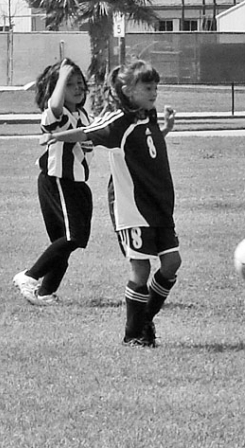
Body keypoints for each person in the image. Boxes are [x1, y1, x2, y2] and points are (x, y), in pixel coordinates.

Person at [41, 60, 178, 347]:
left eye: (156, 87)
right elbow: (87, 133)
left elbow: (143, 146)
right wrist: (56, 136)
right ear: (128, 89)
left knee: (172, 263)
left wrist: (165, 129)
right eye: (147, 87)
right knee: (140, 269)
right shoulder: (117, 121)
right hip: (134, 206)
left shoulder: (147, 114)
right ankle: (133, 334)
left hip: (160, 203)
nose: (154, 92)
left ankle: (144, 321)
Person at [13, 59, 93, 306]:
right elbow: (55, 106)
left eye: (79, 83)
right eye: (69, 84)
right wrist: (61, 78)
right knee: (72, 237)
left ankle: (45, 292)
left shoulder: (82, 114)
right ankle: (29, 276)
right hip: (58, 181)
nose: (77, 88)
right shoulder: (56, 114)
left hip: (77, 183)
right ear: (56, 88)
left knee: (66, 242)